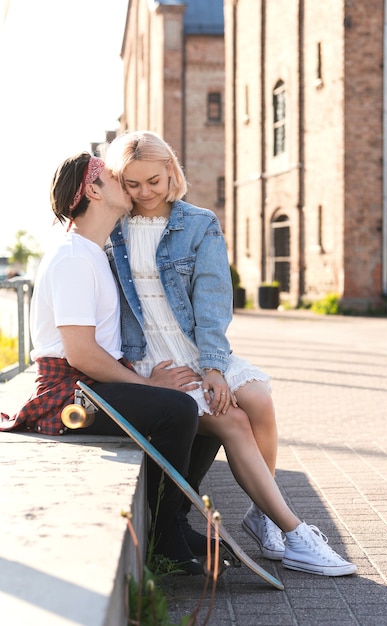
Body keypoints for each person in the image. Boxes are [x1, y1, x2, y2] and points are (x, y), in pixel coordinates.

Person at [104, 130, 358, 577]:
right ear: (118, 182)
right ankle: (291, 528)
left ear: (172, 174)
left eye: (154, 181)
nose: (144, 193)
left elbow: (213, 302)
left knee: (258, 397)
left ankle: (262, 515)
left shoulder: (199, 223)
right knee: (236, 418)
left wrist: (214, 368)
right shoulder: (113, 232)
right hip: (152, 359)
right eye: (132, 184)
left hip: (196, 347)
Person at [0, 152, 206, 575]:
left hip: (92, 383)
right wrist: (150, 385)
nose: (125, 183)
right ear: (93, 190)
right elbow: (81, 353)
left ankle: (176, 522)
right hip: (69, 394)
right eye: (114, 176)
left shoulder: (94, 251)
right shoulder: (74, 257)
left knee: (203, 404)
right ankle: (164, 537)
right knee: (179, 408)